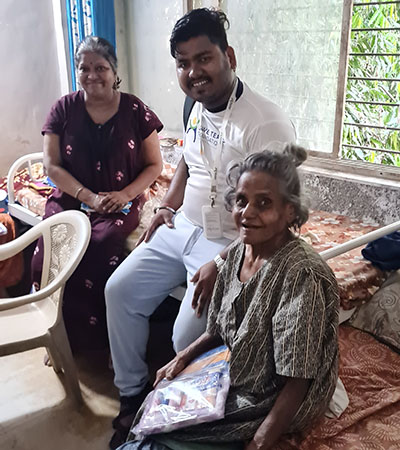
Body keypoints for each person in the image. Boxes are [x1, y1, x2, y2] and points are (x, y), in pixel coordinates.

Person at [105, 8, 296, 447]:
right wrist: (165, 207)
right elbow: (187, 164)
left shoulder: (265, 123)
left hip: (230, 242)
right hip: (182, 227)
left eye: (204, 58)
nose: (193, 72)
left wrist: (223, 262)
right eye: (183, 63)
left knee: (184, 336)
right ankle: (133, 396)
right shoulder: (194, 104)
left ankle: (185, 418)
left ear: (229, 56)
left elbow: (275, 215)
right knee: (119, 291)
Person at [119, 145, 339, 450]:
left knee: (165, 438)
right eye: (241, 201)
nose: (247, 213)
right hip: (241, 370)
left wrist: (259, 443)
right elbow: (220, 328)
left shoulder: (301, 276)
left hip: (270, 394)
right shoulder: (238, 252)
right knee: (155, 407)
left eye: (264, 203)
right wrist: (182, 358)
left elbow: (297, 379)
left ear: (290, 211)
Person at [31, 36, 163, 350]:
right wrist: (88, 197)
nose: (92, 75)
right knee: (51, 249)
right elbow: (51, 166)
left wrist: (126, 194)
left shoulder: (135, 110)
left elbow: (155, 165)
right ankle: (58, 335)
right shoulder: (63, 109)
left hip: (121, 200)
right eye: (84, 68)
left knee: (103, 245)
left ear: (114, 71)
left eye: (100, 67)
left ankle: (106, 342)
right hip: (71, 197)